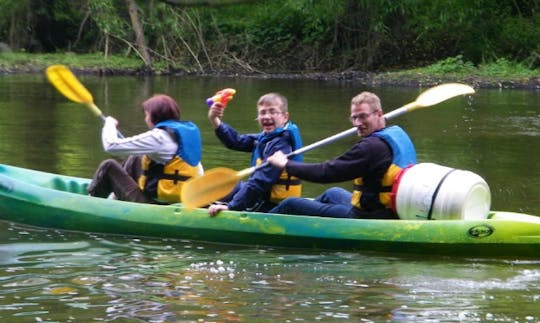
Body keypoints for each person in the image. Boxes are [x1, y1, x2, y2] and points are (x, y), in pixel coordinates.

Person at [266, 91, 417, 219]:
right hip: (390, 209)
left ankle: (261, 226)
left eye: (363, 116)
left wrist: (287, 164)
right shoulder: (397, 135)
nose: (357, 123)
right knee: (333, 193)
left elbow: (327, 173)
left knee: (290, 204)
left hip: (368, 216)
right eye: (354, 117)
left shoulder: (371, 147)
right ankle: (306, 222)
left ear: (379, 114)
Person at [87, 94, 203, 204]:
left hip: (154, 205)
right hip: (180, 200)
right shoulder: (185, 135)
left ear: (154, 116)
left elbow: (111, 146)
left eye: (147, 114)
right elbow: (198, 172)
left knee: (108, 166)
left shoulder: (158, 137)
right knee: (136, 156)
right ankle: (115, 196)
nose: (145, 119)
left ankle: (90, 204)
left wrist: (109, 124)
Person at [207, 92, 303, 215]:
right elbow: (236, 141)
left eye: (272, 112)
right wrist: (214, 119)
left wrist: (231, 207)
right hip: (263, 197)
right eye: (263, 112)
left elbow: (260, 180)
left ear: (285, 117)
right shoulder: (266, 138)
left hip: (272, 206)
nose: (267, 116)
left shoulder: (281, 145)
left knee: (220, 197)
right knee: (222, 187)